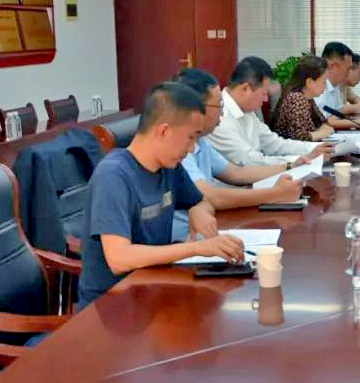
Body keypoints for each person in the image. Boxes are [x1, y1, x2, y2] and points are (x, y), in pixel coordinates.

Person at [78, 82, 245, 307]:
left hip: (153, 288)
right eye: (190, 138)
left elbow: (200, 201)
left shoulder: (169, 166)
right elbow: (119, 258)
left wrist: (198, 210)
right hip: (112, 306)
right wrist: (196, 248)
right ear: (163, 131)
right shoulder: (113, 175)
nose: (191, 149)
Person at [172, 68, 308, 241]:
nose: (222, 112)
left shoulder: (201, 141)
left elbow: (236, 173)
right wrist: (275, 194)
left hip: (206, 234)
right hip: (185, 242)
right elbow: (209, 196)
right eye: (219, 105)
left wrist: (289, 166)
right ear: (196, 108)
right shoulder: (177, 145)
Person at [208, 56, 332, 166]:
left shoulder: (247, 110)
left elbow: (275, 144)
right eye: (264, 93)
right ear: (245, 88)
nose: (266, 99)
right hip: (239, 183)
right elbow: (249, 161)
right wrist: (297, 161)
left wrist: (317, 148)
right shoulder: (220, 116)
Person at [272, 56, 336, 142]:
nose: (325, 86)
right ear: (309, 82)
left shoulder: (307, 97)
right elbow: (299, 137)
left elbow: (324, 124)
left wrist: (322, 131)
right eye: (324, 82)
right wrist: (322, 133)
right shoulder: (296, 98)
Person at [315, 41, 360, 129]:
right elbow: (325, 123)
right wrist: (358, 123)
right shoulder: (319, 87)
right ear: (333, 67)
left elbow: (338, 114)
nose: (349, 74)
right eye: (348, 69)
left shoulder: (335, 86)